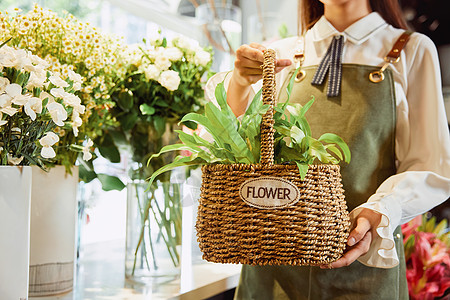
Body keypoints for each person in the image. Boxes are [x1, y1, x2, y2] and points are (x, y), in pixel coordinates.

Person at [205, 0, 450, 299]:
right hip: (272, 267)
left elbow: (431, 166)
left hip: (363, 264)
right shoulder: (278, 55)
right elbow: (231, 145)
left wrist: (381, 211)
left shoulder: (410, 50)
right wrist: (240, 83)